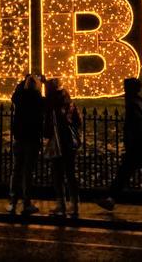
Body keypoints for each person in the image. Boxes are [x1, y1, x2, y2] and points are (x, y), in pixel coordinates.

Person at [96, 78, 142, 216]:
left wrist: (133, 140)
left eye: (125, 87)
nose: (124, 89)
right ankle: (112, 199)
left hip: (138, 146)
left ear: (129, 89)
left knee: (132, 174)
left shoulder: (133, 103)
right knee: (136, 174)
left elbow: (135, 124)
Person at [44, 78, 81, 218]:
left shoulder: (51, 106)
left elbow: (47, 128)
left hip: (58, 142)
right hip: (70, 142)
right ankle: (75, 205)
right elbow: (78, 122)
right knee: (71, 174)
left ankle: (61, 204)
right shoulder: (70, 104)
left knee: (57, 174)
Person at [7, 74, 44, 215]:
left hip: (19, 137)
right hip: (32, 139)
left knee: (16, 170)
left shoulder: (19, 98)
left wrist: (26, 80)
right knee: (28, 172)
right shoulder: (37, 99)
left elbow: (16, 94)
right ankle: (27, 202)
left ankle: (13, 201)